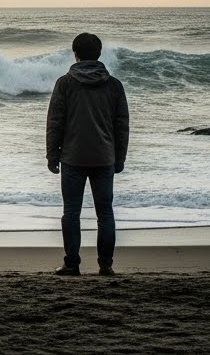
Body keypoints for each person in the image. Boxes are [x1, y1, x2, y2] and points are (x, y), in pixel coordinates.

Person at [46, 32, 129, 276]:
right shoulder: (113, 85)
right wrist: (120, 157)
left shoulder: (65, 83)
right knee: (105, 213)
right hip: (104, 157)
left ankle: (72, 264)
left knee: (71, 212)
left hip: (72, 157)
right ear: (99, 54)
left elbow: (55, 122)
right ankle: (106, 265)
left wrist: (52, 155)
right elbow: (121, 125)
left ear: (76, 54)